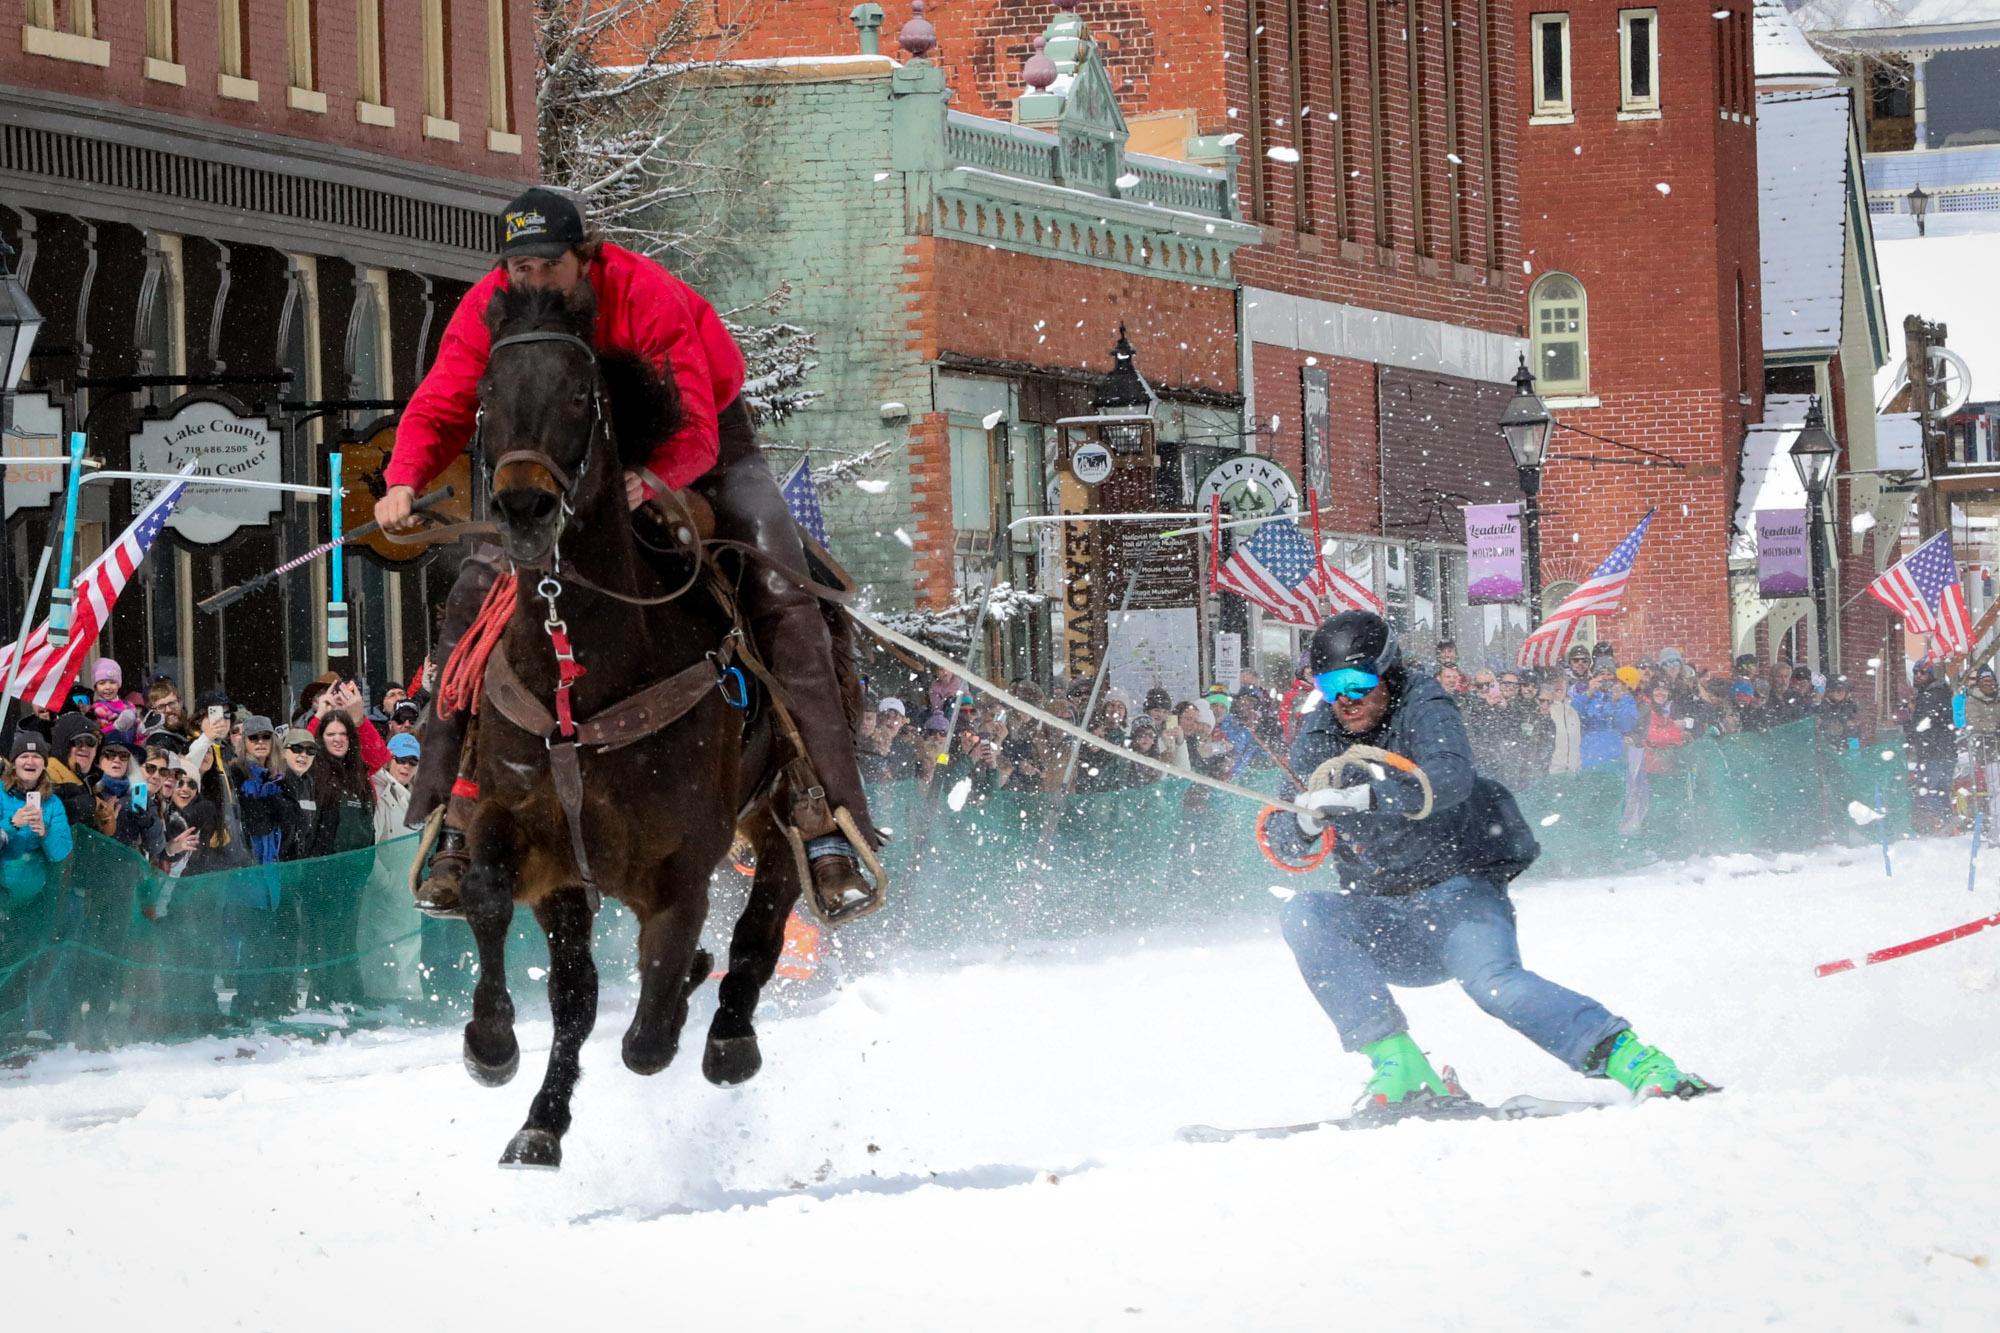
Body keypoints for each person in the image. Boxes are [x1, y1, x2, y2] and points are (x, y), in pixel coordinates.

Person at [376, 186, 882, 922]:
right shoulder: (494, 308)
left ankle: (827, 813)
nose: (533, 280)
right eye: (518, 267)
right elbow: (443, 403)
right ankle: (452, 811)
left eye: (548, 264)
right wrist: (401, 479)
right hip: (563, 466)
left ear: (586, 257)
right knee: (472, 599)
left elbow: (698, 429)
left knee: (780, 580)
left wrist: (651, 480)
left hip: (697, 448)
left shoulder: (645, 293)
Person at [1263, 611, 1714, 1119]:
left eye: (1358, 681)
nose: (1345, 698)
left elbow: (1450, 779)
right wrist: (1303, 824)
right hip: (1384, 916)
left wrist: (1368, 795)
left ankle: (1640, 1063)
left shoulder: (1423, 701)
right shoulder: (1319, 730)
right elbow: (1282, 837)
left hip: (1457, 897)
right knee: (1305, 913)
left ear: (1387, 672)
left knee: (1495, 985)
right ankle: (1402, 1067)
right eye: (1330, 685)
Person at [0, 733, 74, 902]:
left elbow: (61, 853)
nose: (30, 762)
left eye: (36, 757)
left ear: (44, 765)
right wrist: (12, 824)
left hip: (32, 897)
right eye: (24, 756)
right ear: (14, 763)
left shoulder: (53, 803)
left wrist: (45, 833)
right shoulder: (1, 793)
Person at [1907, 661, 1958, 831]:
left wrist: (1913, 726)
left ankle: (1942, 822)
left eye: (1922, 672)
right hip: (1937, 749)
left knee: (1932, 788)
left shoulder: (1934, 693)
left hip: (1937, 750)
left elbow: (1928, 721)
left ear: (1930, 674)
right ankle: (1945, 822)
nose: (1918, 676)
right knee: (1937, 789)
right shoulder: (1930, 693)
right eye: (1915, 672)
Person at [1572, 664, 1636, 771]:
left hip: (1614, 759)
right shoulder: (1586, 697)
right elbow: (1573, 716)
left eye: (1609, 675)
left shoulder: (1625, 699)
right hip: (1587, 758)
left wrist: (1616, 702)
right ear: (1594, 677)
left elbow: (1626, 725)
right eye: (1602, 674)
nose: (1605, 678)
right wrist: (1588, 693)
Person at [1960, 668, 2000, 830]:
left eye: (1991, 681)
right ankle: (1995, 828)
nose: (1989, 684)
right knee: (1995, 789)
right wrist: (1994, 727)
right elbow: (1974, 722)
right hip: (1988, 750)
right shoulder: (1972, 700)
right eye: (1985, 681)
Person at [275, 728, 322, 862]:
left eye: (310, 751)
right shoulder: (274, 782)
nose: (303, 755)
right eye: (296, 748)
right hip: (277, 866)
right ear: (283, 752)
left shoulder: (310, 784)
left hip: (299, 865)